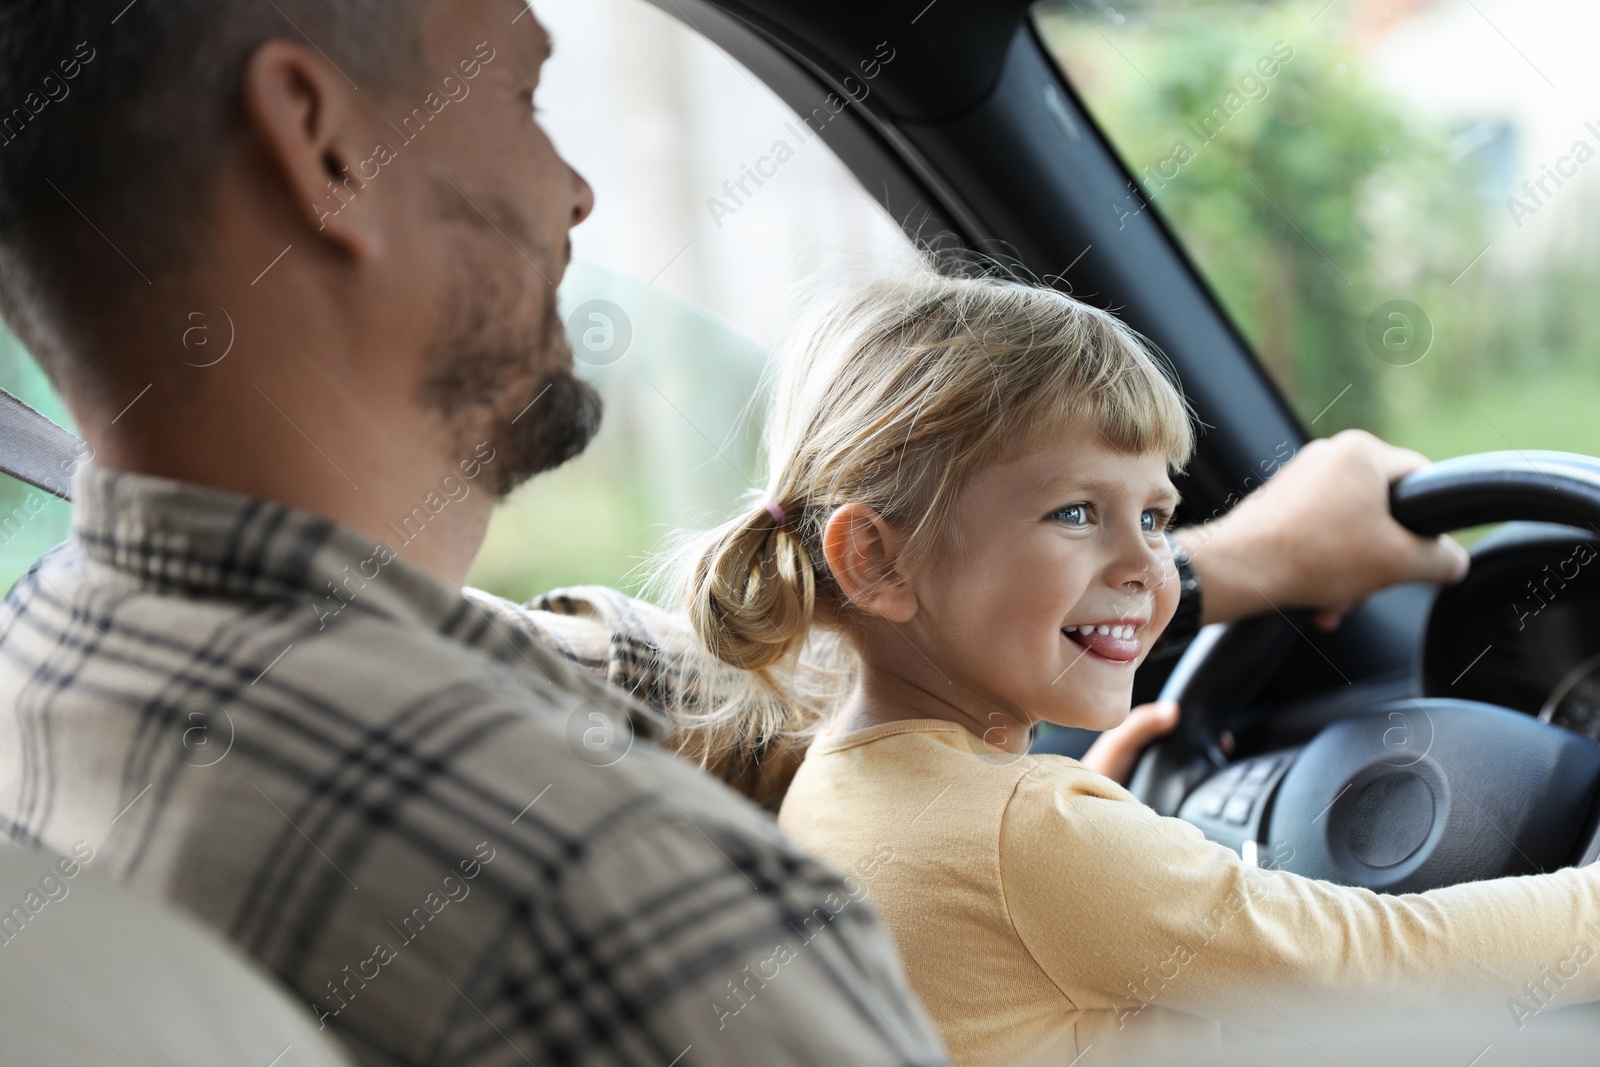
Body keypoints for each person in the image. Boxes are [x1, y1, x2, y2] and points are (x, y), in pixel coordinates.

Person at [0, 0, 1464, 1064]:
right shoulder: (623, 910)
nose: (573, 190)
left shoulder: (65, 657)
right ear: (324, 145)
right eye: (521, 98)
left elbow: (656, 674)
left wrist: (1190, 568)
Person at [665, 267, 1600, 1067]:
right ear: (877, 559)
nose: (1147, 566)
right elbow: (1372, 968)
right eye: (1076, 512)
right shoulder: (1032, 835)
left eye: (1154, 516)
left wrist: (1075, 810)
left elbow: (1003, 913)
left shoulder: (836, 781)